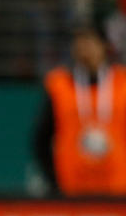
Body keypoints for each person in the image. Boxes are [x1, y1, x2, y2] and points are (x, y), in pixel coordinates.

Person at [34, 21, 126, 195]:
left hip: (118, 193)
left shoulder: (122, 84)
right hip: (73, 191)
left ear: (104, 46)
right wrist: (54, 183)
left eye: (89, 41)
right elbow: (42, 139)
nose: (84, 48)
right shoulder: (59, 85)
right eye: (78, 42)